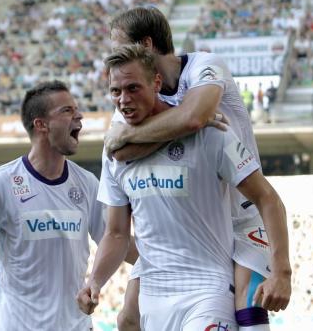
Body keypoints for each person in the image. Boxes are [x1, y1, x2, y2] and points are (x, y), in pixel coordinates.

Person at [77, 44, 291, 331]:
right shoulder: (115, 152)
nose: (123, 100)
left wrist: (282, 272)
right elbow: (116, 233)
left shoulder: (210, 133)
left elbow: (267, 198)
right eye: (116, 91)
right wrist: (94, 281)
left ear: (156, 82)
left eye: (133, 88)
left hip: (207, 293)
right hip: (153, 300)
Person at [0, 81, 111, 330]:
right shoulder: (2, 182)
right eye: (67, 111)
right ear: (41, 124)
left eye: (76, 109)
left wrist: (156, 258)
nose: (79, 116)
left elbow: (114, 240)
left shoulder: (86, 183)